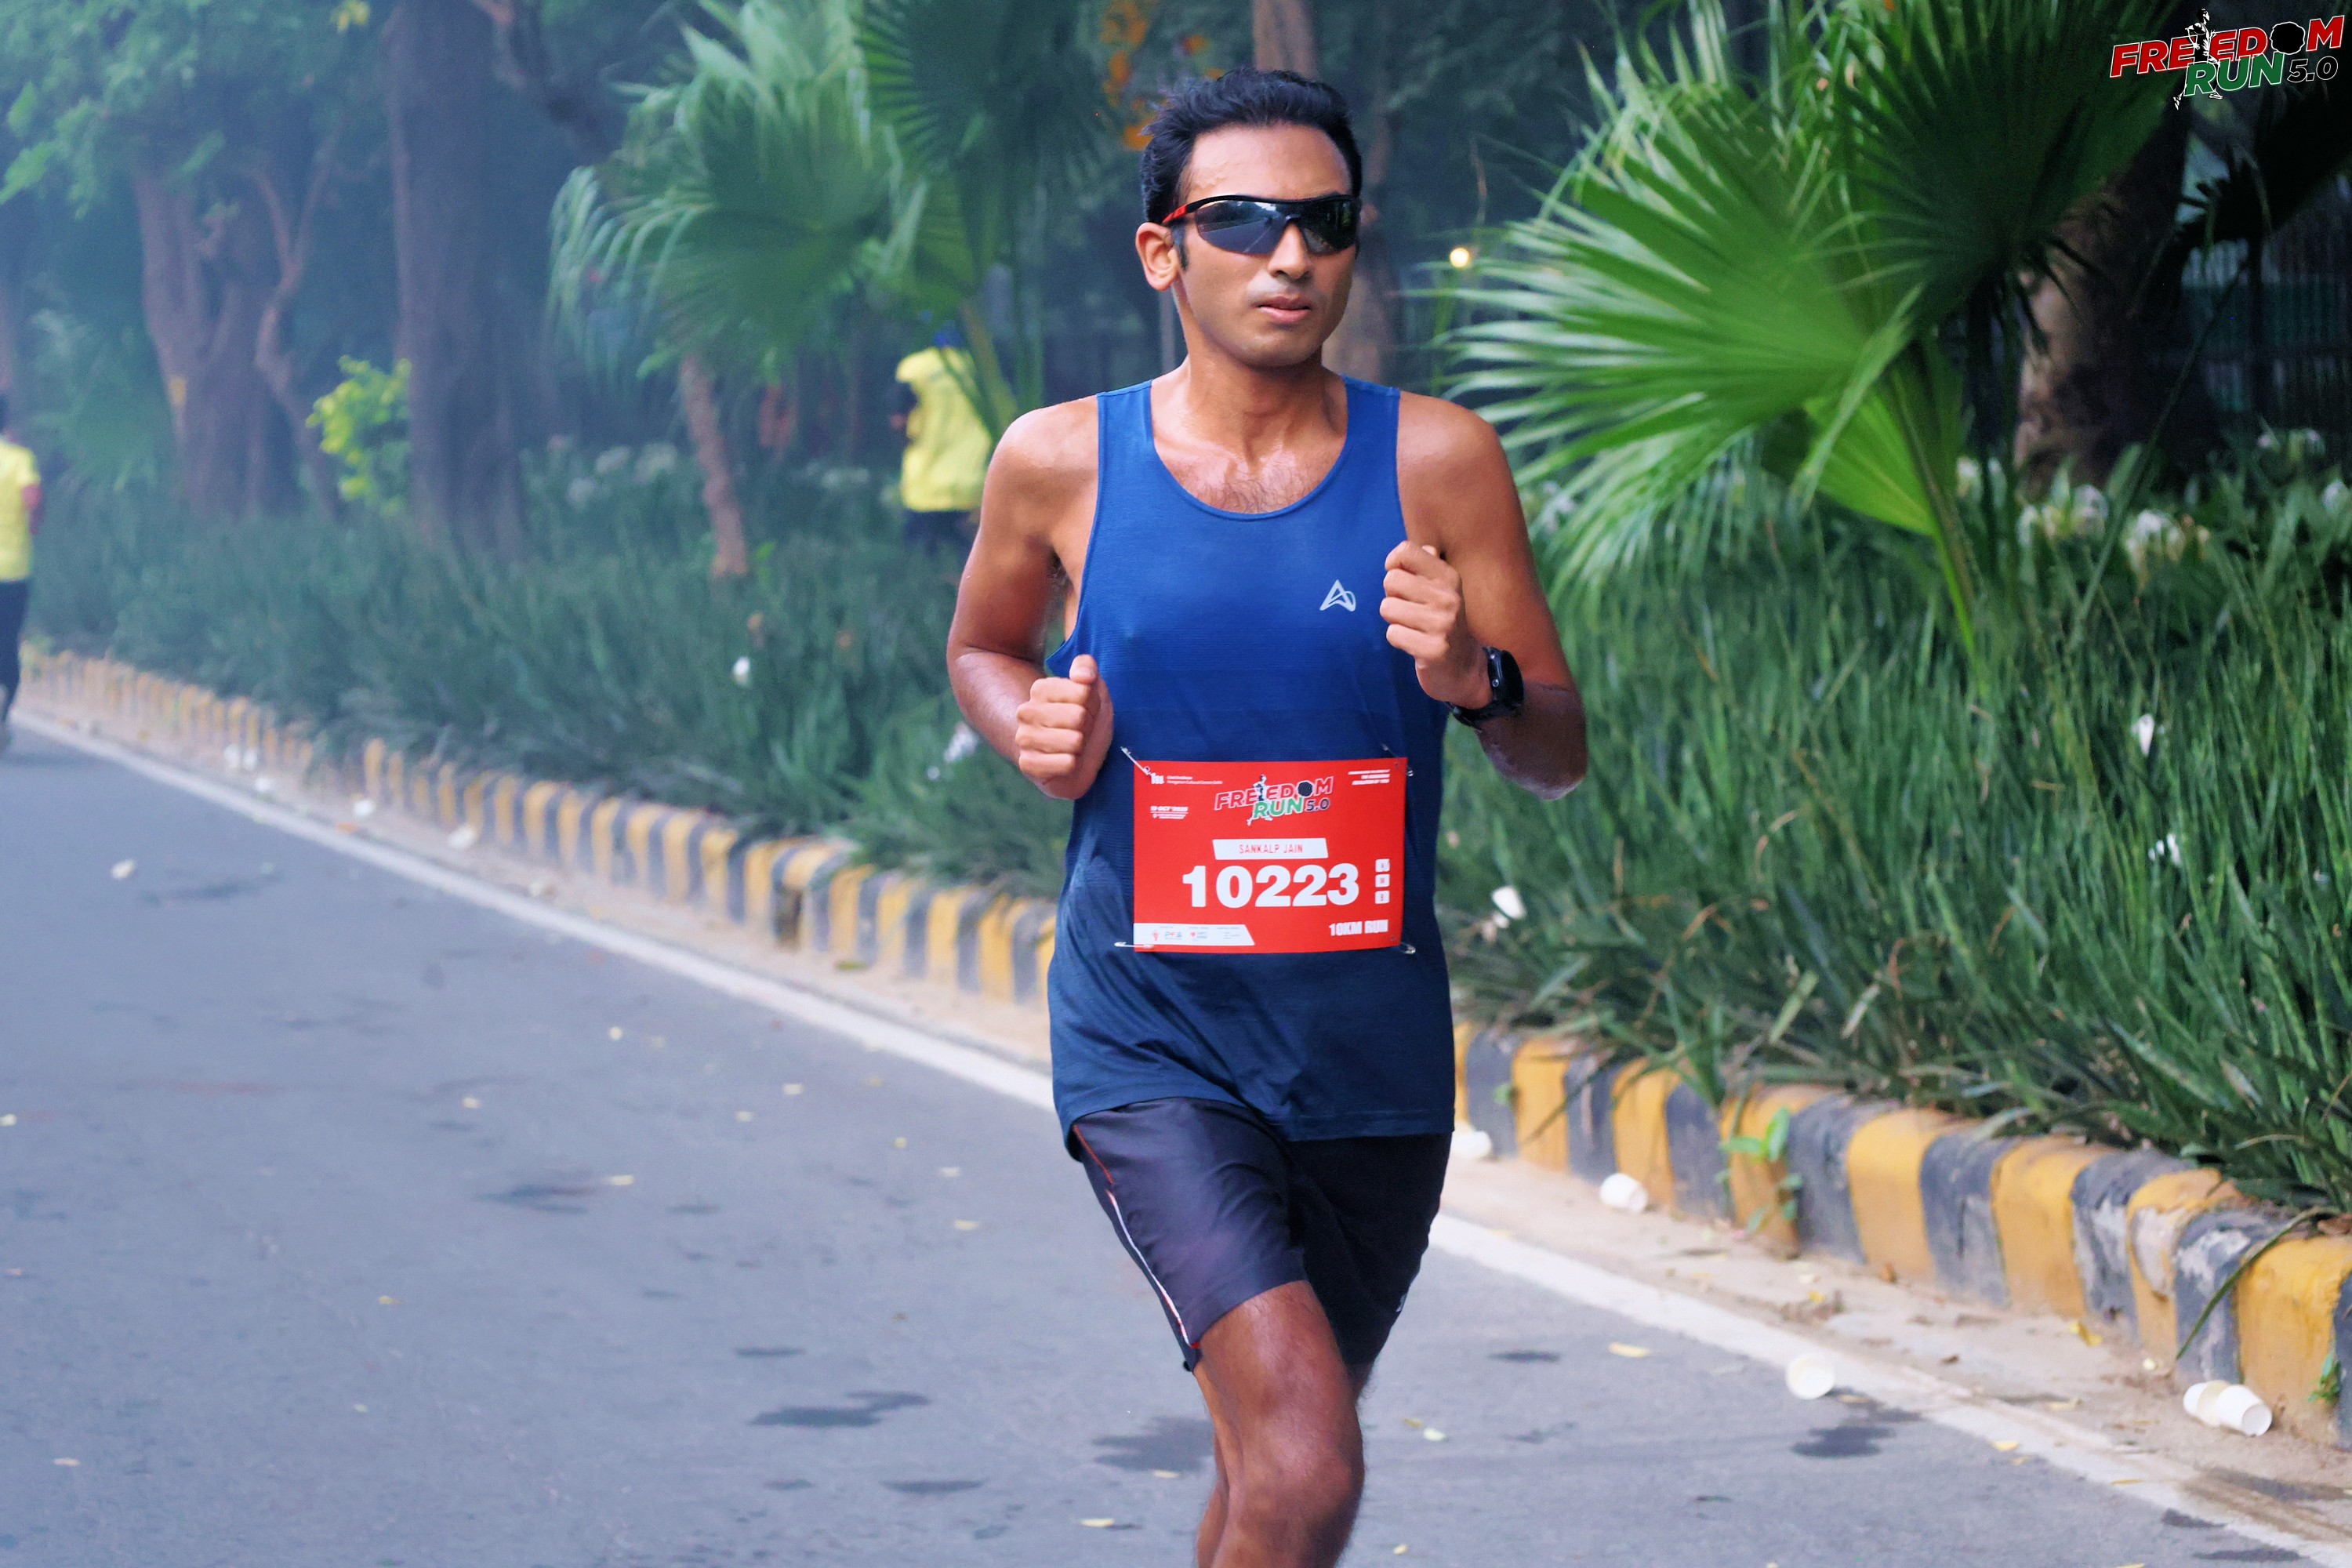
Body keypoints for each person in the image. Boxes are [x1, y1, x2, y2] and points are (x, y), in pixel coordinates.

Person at [946, 68, 1587, 1568]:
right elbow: (983, 647)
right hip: (1154, 1039)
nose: (1290, 256)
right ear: (1162, 251)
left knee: (1269, 1475)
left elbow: (1555, 748)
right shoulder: (1060, 459)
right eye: (1241, 221)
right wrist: (1027, 721)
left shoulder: (1439, 461)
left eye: (1325, 223)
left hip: (1369, 1059)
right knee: (1304, 1463)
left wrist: (1476, 678)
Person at [892, 326, 991, 553]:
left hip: (925, 487)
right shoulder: (980, 367)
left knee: (923, 561)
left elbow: (898, 417)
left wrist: (904, 442)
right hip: (972, 485)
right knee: (968, 561)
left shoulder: (915, 368)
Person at [0, 393, 42, 757]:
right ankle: (3, 710)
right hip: (13, 569)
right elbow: (33, 499)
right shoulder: (19, 460)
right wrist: (33, 527)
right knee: (8, 640)